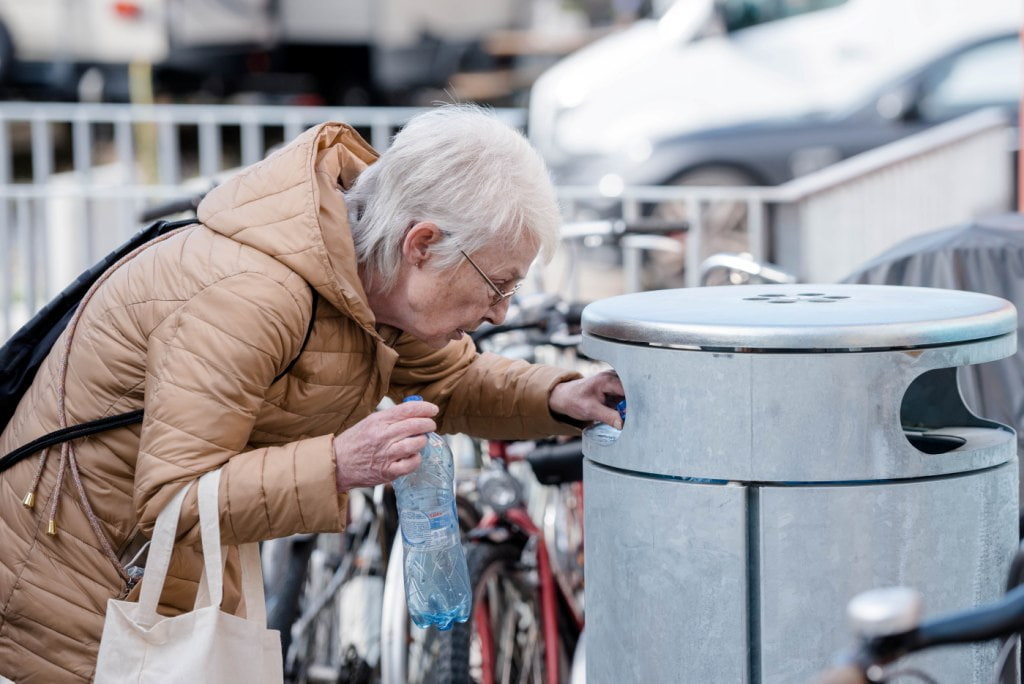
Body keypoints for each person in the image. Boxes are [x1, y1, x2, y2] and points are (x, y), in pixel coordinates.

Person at [0, 104, 624, 682]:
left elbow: (453, 380)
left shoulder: (364, 273)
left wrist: (558, 396)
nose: (499, 312)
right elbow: (174, 500)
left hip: (154, 579)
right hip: (67, 590)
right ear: (423, 244)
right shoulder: (250, 295)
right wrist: (338, 464)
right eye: (498, 283)